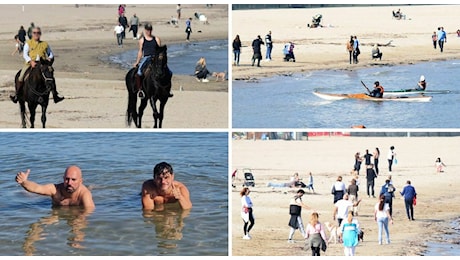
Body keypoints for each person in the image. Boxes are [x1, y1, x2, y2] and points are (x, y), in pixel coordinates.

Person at [10, 26, 64, 104]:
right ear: (32, 34)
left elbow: (50, 53)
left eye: (38, 33)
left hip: (43, 63)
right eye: (34, 33)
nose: (36, 34)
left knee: (50, 77)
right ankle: (17, 95)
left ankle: (55, 96)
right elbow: (25, 54)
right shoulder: (28, 43)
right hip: (30, 63)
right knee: (21, 76)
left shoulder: (45, 44)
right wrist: (30, 61)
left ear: (40, 34)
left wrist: (49, 58)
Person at [15, 165, 95, 209]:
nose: (69, 183)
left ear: (81, 181)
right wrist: (24, 182)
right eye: (67, 179)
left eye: (73, 180)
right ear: (63, 179)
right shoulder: (56, 190)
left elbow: (89, 213)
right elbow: (37, 188)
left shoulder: (84, 195)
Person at [133, 23, 163, 98]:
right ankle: (140, 90)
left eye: (150, 30)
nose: (149, 32)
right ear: (145, 30)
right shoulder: (142, 40)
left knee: (166, 71)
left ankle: (165, 88)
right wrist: (137, 61)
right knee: (139, 72)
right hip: (146, 57)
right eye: (147, 30)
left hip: (155, 58)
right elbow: (140, 51)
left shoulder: (156, 39)